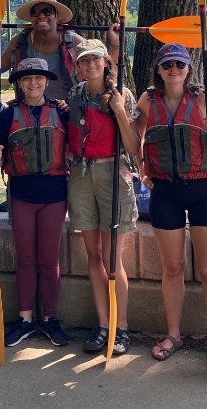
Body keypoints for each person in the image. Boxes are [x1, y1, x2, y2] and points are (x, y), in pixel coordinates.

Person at [135, 43, 207, 372]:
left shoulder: (205, 99)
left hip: (202, 188)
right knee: (172, 268)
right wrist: (141, 167)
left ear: (189, 68)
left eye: (179, 64)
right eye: (167, 64)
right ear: (158, 69)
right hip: (165, 191)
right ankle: (174, 334)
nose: (174, 69)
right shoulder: (147, 100)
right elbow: (135, 139)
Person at [0, 58, 70, 347]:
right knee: (26, 259)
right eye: (26, 79)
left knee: (49, 260)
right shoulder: (8, 116)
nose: (33, 83)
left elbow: (76, 146)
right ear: (20, 84)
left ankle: (49, 318)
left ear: (47, 81)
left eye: (38, 78)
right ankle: (24, 319)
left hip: (54, 195)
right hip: (21, 195)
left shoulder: (61, 112)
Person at [66, 39, 140, 356]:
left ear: (105, 62)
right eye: (84, 61)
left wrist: (120, 111)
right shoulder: (75, 94)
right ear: (78, 66)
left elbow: (134, 146)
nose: (90, 65)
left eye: (95, 59)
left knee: (112, 260)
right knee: (93, 257)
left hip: (112, 173)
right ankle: (102, 324)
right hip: (82, 175)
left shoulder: (123, 93)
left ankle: (121, 327)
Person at [0, 0, 120, 101]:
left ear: (57, 16)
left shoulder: (73, 41)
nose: (41, 16)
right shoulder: (20, 41)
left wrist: (115, 44)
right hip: (31, 112)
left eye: (47, 11)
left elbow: (106, 66)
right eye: (35, 12)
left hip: (67, 111)